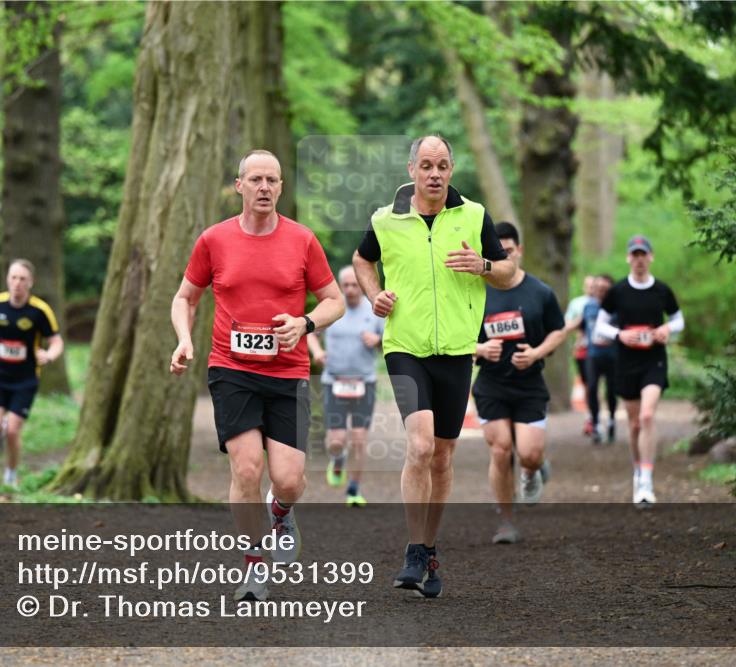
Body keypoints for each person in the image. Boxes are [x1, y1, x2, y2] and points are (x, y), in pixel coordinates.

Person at [169, 149, 344, 602]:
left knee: (288, 479)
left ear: (281, 188)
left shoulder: (303, 240)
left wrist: (305, 324)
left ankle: (281, 511)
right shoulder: (214, 240)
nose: (265, 187)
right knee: (246, 469)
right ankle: (253, 567)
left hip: (289, 372)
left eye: (273, 180)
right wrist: (185, 339)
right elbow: (185, 297)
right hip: (232, 369)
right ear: (239, 185)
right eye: (256, 179)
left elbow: (335, 300)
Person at [353, 135, 515, 597]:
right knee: (421, 446)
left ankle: (429, 546)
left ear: (452, 168)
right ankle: (412, 547)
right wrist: (373, 295)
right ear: (411, 170)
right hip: (404, 345)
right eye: (426, 165)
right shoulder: (386, 220)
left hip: (457, 349)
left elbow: (506, 273)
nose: (435, 174)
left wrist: (482, 263)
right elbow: (362, 261)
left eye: (442, 165)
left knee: (444, 455)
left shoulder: (475, 216)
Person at [472, 223, 566, 544]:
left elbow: (558, 330)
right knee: (500, 449)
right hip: (491, 383)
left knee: (528, 453)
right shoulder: (476, 292)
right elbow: (455, 338)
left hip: (529, 385)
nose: (504, 257)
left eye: (508, 251)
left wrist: (537, 352)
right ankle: (506, 522)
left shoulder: (540, 292)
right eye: (496, 253)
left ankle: (532, 469)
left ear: (519, 251)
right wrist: (481, 348)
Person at [594, 236, 684, 507]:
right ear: (628, 258)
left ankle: (646, 479)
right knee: (634, 424)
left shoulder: (662, 290)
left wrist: (667, 329)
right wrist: (620, 335)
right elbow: (600, 326)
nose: (639, 259)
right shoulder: (618, 291)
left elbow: (679, 319)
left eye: (643, 254)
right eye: (634, 255)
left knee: (647, 416)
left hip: (654, 360)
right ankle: (638, 470)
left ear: (651, 257)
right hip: (626, 362)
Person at [0, 259, 64, 488]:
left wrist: (49, 355)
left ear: (30, 283)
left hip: (25, 380)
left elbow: (57, 341)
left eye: (22, 279)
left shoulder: (40, 311)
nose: (17, 283)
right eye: (13, 278)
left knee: (13, 431)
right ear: (7, 280)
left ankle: (10, 474)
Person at [306, 266, 384, 507]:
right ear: (340, 286)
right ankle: (338, 459)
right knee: (337, 440)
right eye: (346, 285)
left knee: (359, 439)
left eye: (355, 285)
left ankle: (354, 489)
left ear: (361, 285)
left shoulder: (374, 313)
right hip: (334, 382)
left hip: (364, 382)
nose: (350, 290)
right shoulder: (333, 310)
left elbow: (390, 342)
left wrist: (378, 340)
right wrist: (318, 352)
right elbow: (309, 331)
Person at [583, 274, 618, 444]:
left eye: (605, 290)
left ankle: (611, 420)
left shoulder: (617, 307)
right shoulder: (588, 306)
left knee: (611, 390)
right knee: (592, 388)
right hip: (593, 355)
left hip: (612, 356)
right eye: (598, 289)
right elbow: (582, 326)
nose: (601, 292)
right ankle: (595, 424)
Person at [565, 275, 595, 437]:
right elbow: (566, 326)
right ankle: (591, 417)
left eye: (593, 285)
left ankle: (597, 417)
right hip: (583, 350)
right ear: (584, 286)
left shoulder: (604, 302)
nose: (591, 288)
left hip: (601, 351)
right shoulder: (577, 303)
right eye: (588, 285)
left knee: (595, 384)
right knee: (588, 385)